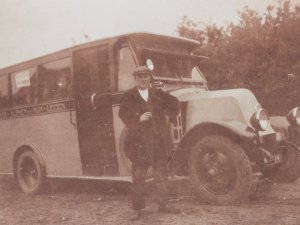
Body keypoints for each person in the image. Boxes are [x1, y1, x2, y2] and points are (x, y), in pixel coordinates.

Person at [118, 66, 181, 220]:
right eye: (140, 77)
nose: (143, 79)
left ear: (150, 78)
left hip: (158, 142)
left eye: (146, 76)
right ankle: (137, 209)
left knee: (161, 175)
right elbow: (123, 113)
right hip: (139, 144)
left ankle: (164, 204)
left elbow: (175, 103)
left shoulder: (158, 94)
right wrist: (137, 118)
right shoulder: (129, 96)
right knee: (139, 176)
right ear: (135, 79)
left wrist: (168, 116)